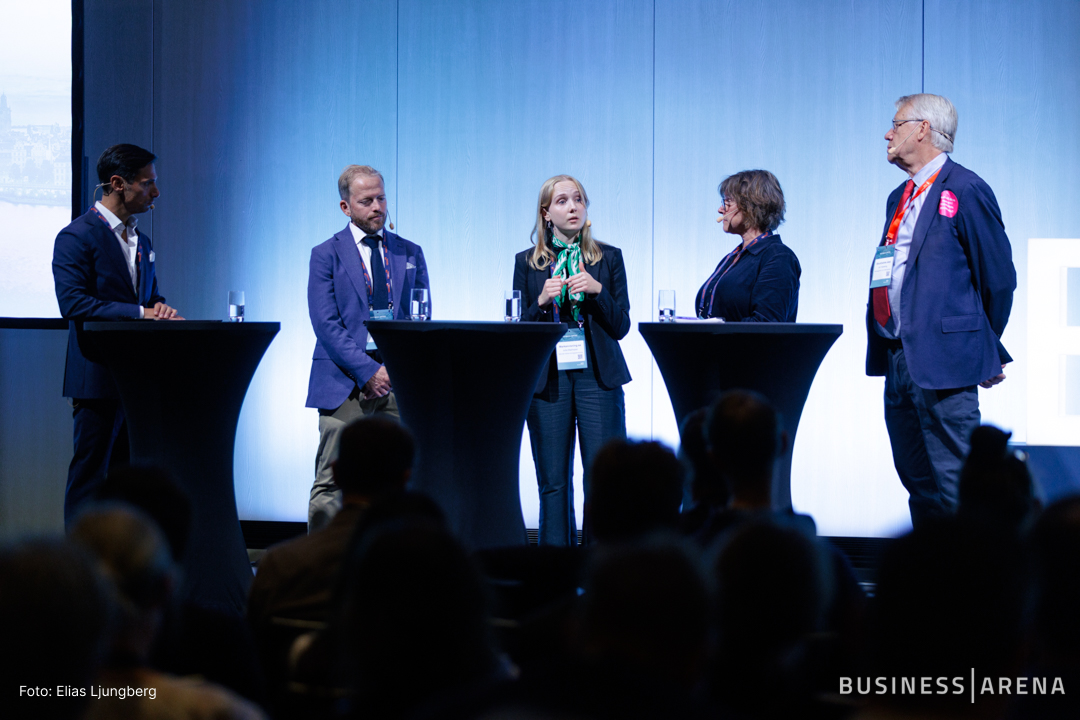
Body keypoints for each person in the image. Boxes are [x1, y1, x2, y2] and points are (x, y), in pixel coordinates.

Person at [868, 94, 1016, 528]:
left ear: (922, 129)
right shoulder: (900, 194)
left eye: (896, 124)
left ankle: (975, 588)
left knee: (957, 482)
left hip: (946, 358)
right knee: (916, 479)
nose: (888, 133)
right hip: (897, 354)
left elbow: (998, 279)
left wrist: (981, 346)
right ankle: (933, 583)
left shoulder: (966, 188)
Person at [52, 143, 182, 526]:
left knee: (132, 480)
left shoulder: (143, 242)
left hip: (137, 379)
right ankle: (78, 571)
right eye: (148, 184)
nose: (156, 192)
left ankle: (127, 566)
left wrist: (160, 309)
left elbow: (148, 298)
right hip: (97, 377)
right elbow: (73, 304)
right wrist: (141, 312)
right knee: (90, 477)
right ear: (117, 184)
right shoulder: (76, 236)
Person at [306, 165, 430, 531]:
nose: (377, 206)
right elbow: (326, 324)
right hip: (345, 382)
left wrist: (396, 369)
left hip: (396, 380)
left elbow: (421, 317)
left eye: (381, 198)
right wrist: (367, 371)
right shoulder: (325, 254)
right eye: (366, 201)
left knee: (405, 475)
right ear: (346, 207)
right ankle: (323, 568)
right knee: (332, 480)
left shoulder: (410, 252)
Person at [513, 174, 631, 546]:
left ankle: (603, 573)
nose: (573, 206)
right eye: (563, 201)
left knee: (603, 480)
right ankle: (554, 575)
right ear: (546, 213)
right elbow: (518, 330)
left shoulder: (608, 258)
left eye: (578, 199)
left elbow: (622, 325)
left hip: (597, 376)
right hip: (549, 380)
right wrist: (540, 303)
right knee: (552, 482)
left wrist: (597, 291)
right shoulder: (528, 264)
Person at [696, 169, 800, 321]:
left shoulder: (778, 257)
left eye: (728, 202)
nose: (720, 209)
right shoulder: (732, 258)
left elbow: (766, 324)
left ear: (750, 206)